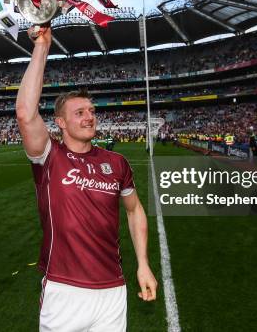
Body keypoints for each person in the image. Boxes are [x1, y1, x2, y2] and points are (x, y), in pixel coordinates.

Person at [16, 24, 157, 332]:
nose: (89, 116)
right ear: (61, 122)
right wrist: (42, 46)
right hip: (64, 289)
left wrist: (143, 264)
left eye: (91, 110)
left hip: (112, 289)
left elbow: (133, 210)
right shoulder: (49, 157)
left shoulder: (116, 163)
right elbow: (26, 113)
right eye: (79, 112)